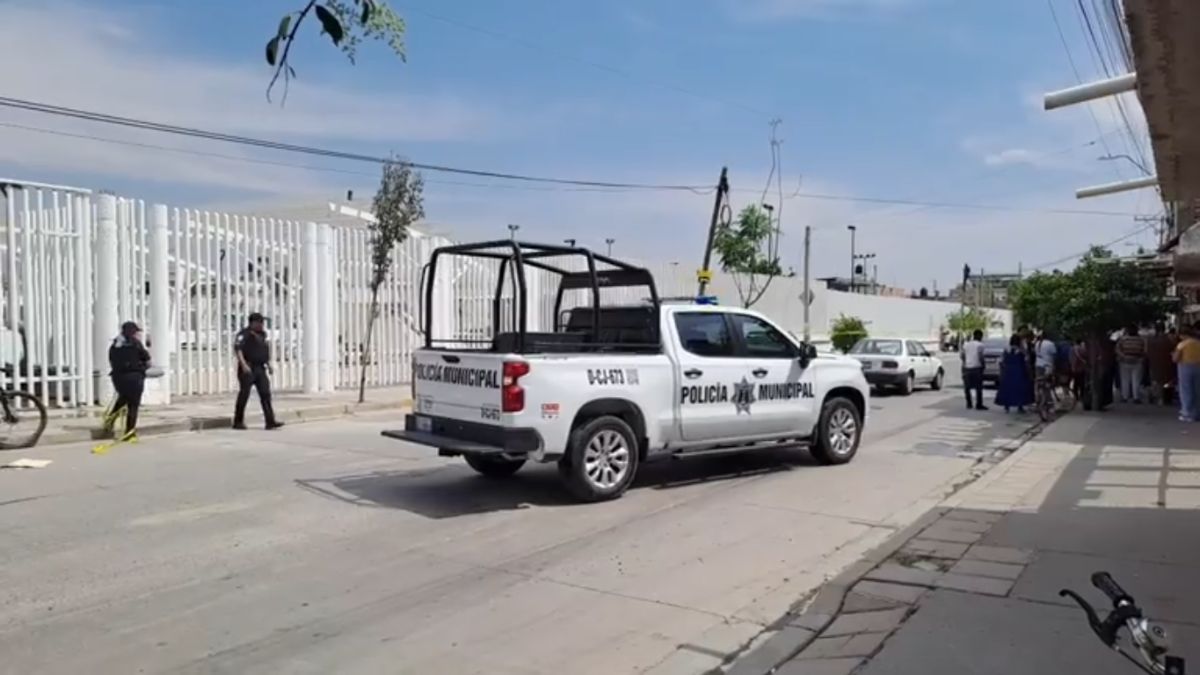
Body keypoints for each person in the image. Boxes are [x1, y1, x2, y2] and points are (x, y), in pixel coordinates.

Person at [233, 312, 283, 430]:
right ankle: (238, 421)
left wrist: (268, 364)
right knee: (244, 394)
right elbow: (238, 349)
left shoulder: (262, 335)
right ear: (253, 323)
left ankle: (270, 421)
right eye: (260, 322)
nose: (262, 325)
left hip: (260, 368)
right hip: (248, 368)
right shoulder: (244, 334)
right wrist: (244, 365)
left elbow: (264, 350)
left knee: (265, 393)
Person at [104, 321, 150, 441]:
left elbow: (112, 360)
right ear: (133, 333)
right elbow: (147, 359)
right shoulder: (135, 344)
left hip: (118, 378)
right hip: (135, 378)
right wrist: (143, 368)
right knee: (133, 406)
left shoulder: (115, 345)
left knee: (123, 399)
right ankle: (129, 433)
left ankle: (109, 420)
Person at [995, 334, 1033, 413]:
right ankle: (1020, 406)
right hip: (1019, 372)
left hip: (1008, 372)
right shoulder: (1022, 351)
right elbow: (1027, 361)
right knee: (1020, 389)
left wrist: (1002, 371)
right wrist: (1029, 371)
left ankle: (1007, 406)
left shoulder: (1006, 350)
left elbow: (1001, 361)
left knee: (1007, 389)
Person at [1173, 325, 1200, 422]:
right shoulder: (1198, 343)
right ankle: (1196, 413)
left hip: (1185, 367)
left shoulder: (1182, 345)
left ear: (1183, 335)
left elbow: (1175, 359)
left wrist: (1173, 355)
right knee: (1197, 390)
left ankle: (1186, 413)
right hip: (1198, 367)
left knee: (1186, 390)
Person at [1147, 322, 1177, 405]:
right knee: (1166, 381)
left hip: (1154, 362)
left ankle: (1156, 396)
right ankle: (1164, 397)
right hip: (1167, 362)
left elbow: (1147, 351)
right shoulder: (1169, 339)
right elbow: (1173, 349)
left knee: (1155, 380)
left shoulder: (1151, 340)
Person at [1115, 324, 1147, 403]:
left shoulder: (1123, 339)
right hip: (1137, 361)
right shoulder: (1141, 340)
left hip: (1124, 362)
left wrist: (1123, 356)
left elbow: (1117, 349)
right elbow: (1144, 351)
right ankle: (1136, 397)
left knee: (1125, 379)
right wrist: (1140, 358)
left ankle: (1125, 396)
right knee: (1136, 380)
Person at [961, 329, 987, 410]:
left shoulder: (966, 345)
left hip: (967, 368)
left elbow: (962, 356)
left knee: (967, 387)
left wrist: (965, 364)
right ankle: (979, 404)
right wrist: (983, 365)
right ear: (980, 336)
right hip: (977, 368)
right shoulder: (980, 345)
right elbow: (980, 356)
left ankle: (969, 403)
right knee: (978, 387)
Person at [1070, 338, 1090, 409]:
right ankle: (1081, 396)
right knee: (1081, 383)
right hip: (1081, 368)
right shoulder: (1082, 349)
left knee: (1075, 383)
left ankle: (1076, 396)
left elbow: (1071, 359)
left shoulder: (1072, 349)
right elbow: (1085, 356)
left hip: (1075, 368)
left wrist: (1072, 366)